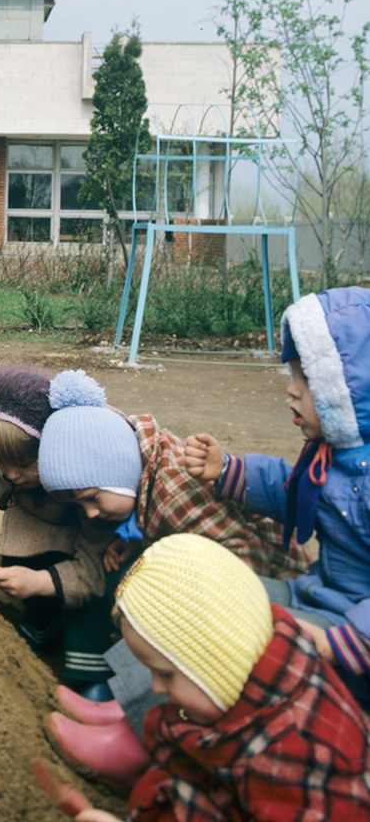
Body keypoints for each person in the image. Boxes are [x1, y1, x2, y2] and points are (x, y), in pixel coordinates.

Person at [36, 367, 310, 783]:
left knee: (172, 619)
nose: (91, 514)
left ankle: (136, 726)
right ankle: (124, 706)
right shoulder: (149, 472)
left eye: (91, 498)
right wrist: (137, 543)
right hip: (234, 568)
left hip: (266, 582)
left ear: (117, 467)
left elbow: (230, 561)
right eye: (80, 506)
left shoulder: (173, 490)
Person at [49, 534, 370, 822]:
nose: (156, 687)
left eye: (166, 674)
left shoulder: (292, 764)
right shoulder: (256, 691)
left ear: (219, 664)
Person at [184, 287, 370, 710]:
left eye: (307, 379)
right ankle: (124, 698)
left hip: (347, 638)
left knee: (233, 639)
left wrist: (346, 641)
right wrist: (228, 469)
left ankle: (143, 728)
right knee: (205, 598)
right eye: (293, 376)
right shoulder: (334, 456)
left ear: (350, 390)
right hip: (317, 596)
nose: (291, 391)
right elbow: (295, 490)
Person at [0, 365, 117, 693]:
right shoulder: (7, 467)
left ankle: (80, 672)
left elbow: (92, 569)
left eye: (23, 465)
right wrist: (6, 492)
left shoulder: (90, 494)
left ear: (54, 447)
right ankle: (39, 628)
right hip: (32, 517)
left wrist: (40, 583)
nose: (9, 473)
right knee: (22, 574)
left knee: (82, 610)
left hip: (81, 538)